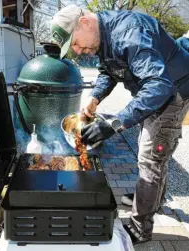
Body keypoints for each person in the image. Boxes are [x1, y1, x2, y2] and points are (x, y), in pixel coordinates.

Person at [51, 5, 189, 244]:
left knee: (150, 156)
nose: (77, 50)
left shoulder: (130, 33)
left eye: (74, 42)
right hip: (152, 92)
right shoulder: (102, 38)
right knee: (153, 153)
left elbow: (159, 85)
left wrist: (114, 124)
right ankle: (152, 198)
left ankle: (140, 228)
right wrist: (95, 98)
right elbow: (108, 70)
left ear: (84, 22)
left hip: (173, 90)